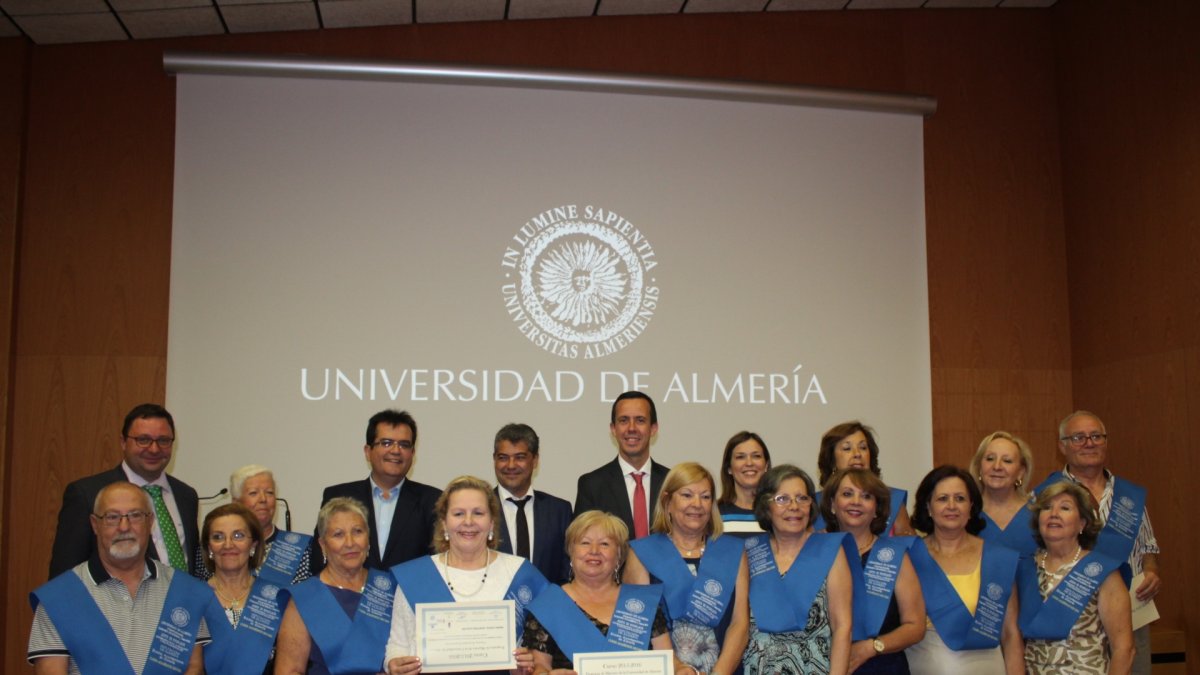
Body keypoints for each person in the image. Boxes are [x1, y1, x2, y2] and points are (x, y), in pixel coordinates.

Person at [29, 482, 212, 674]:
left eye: (135, 516)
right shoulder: (58, 598)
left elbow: (194, 667)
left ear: (150, 522)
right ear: (94, 524)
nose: (124, 527)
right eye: (112, 517)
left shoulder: (185, 591)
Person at [1037, 410, 1161, 675]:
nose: (1089, 443)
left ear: (1105, 442)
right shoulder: (1047, 495)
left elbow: (1148, 546)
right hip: (1071, 618)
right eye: (1079, 437)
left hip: (1129, 613)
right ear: (1062, 446)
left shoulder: (1129, 496)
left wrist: (1151, 570)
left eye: (1096, 436)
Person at [386, 475, 547, 674]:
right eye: (458, 513)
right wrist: (394, 664)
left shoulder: (521, 573)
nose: (468, 522)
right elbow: (398, 643)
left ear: (491, 523)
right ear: (444, 523)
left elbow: (543, 649)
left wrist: (529, 663)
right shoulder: (415, 577)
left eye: (478, 513)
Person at [625, 462, 750, 675]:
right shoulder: (642, 553)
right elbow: (639, 627)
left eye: (705, 496)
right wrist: (677, 668)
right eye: (687, 495)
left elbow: (740, 623)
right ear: (667, 502)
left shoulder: (734, 551)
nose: (697, 504)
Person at [49, 403, 200, 577]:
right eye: (143, 440)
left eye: (163, 440)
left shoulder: (186, 495)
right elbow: (64, 573)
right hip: (112, 602)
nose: (154, 449)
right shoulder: (87, 494)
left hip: (184, 602)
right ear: (123, 442)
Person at [523, 510, 678, 673]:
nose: (594, 550)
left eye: (604, 544)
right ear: (571, 551)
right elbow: (539, 666)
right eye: (585, 543)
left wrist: (681, 668)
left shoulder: (642, 602)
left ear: (619, 555)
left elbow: (669, 661)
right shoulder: (549, 605)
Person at [905, 465, 1023, 675]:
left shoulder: (997, 558)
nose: (952, 506)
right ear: (928, 507)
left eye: (960, 498)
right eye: (942, 499)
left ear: (971, 506)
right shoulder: (909, 557)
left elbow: (1010, 634)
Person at [743, 464, 854, 675]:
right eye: (782, 499)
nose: (794, 506)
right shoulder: (750, 552)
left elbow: (843, 627)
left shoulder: (829, 550)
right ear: (766, 506)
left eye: (802, 498)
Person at [1018, 481, 1134, 674]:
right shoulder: (1025, 568)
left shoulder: (1101, 571)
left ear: (1082, 523)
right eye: (1046, 508)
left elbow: (1124, 649)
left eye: (1065, 507)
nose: (1054, 513)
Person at [820, 468, 926, 674]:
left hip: (882, 664)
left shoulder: (895, 555)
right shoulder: (815, 550)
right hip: (822, 664)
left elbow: (915, 626)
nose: (856, 501)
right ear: (832, 504)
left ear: (877, 509)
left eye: (866, 496)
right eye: (847, 494)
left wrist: (871, 647)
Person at [311, 409, 442, 575]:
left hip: (409, 598)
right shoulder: (338, 496)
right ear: (368, 451)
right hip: (349, 597)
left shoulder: (433, 500)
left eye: (404, 444)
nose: (396, 450)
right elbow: (319, 557)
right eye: (386, 443)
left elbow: (440, 562)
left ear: (412, 454)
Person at [276, 497, 396, 675]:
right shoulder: (304, 598)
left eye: (357, 531)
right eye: (338, 534)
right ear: (323, 545)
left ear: (368, 539)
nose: (350, 543)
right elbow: (288, 671)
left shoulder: (391, 588)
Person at [201, 503, 284, 675]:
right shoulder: (192, 597)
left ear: (253, 545)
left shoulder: (278, 597)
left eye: (238, 535)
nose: (228, 544)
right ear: (209, 547)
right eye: (218, 537)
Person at [574, 391, 670, 540]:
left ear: (653, 428)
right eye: (624, 420)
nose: (631, 428)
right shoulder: (592, 485)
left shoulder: (672, 482)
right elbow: (581, 543)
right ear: (613, 429)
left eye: (640, 420)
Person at [195, 464, 313, 583]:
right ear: (236, 502)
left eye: (269, 492)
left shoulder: (300, 548)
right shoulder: (214, 547)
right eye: (253, 493)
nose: (263, 499)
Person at [492, 423, 573, 584]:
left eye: (520, 457)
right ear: (494, 459)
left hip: (547, 605)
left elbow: (568, 570)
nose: (511, 465)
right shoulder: (479, 510)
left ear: (535, 460)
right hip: (494, 607)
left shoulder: (559, 511)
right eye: (503, 458)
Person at [813, 421, 914, 535]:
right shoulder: (813, 504)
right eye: (847, 448)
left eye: (863, 447)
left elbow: (908, 546)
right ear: (832, 460)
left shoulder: (892, 499)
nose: (857, 454)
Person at [970, 432, 1037, 557]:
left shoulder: (1039, 514)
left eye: (1007, 461)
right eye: (990, 459)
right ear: (979, 467)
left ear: (1021, 472)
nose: (997, 466)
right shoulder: (966, 513)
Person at [716, 431, 772, 536]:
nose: (749, 463)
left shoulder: (778, 511)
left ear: (766, 465)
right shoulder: (714, 514)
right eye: (740, 457)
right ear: (729, 468)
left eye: (756, 456)